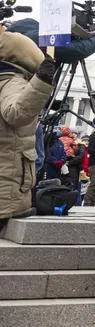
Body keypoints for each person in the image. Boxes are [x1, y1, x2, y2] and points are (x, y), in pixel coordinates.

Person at [0, 30, 55, 224]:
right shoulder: (10, 81)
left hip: (6, 189)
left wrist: (40, 83)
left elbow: (17, 114)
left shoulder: (10, 82)